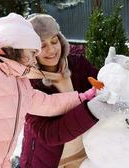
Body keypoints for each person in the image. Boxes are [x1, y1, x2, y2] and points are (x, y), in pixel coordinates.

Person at [0, 13, 97, 167]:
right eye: (32, 52)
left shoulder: (18, 80)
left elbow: (47, 104)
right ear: (18, 49)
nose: (34, 59)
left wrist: (84, 97)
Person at [19, 14, 99, 168]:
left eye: (54, 41)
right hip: (47, 160)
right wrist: (90, 111)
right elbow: (47, 133)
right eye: (42, 46)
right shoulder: (27, 81)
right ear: (31, 50)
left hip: (85, 155)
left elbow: (101, 84)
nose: (51, 50)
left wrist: (114, 73)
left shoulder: (77, 64)